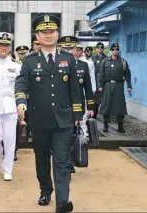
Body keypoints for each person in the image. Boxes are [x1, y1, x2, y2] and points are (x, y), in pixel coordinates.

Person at [15, 14, 83, 213]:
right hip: (39, 119)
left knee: (61, 160)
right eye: (43, 32)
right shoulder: (29, 61)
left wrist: (78, 116)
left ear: (57, 33)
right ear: (37, 35)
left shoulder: (68, 59)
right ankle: (46, 190)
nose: (48, 35)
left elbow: (74, 91)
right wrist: (21, 102)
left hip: (64, 119)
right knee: (42, 158)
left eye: (51, 31)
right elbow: (21, 83)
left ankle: (63, 201)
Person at [57, 36, 95, 174]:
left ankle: (70, 160)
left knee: (74, 135)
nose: (69, 51)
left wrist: (91, 107)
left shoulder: (83, 66)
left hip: (77, 107)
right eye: (65, 48)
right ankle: (64, 161)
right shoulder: (55, 64)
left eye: (71, 48)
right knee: (62, 136)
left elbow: (88, 88)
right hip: (60, 107)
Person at [0, 32, 21, 181]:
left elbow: (20, 88)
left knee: (10, 139)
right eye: (1, 44)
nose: (4, 47)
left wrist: (21, 105)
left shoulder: (16, 67)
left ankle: (8, 170)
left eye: (7, 45)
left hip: (11, 109)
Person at [98, 43, 132, 133]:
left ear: (118, 50)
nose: (115, 51)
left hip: (118, 85)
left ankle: (120, 126)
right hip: (108, 85)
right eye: (113, 49)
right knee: (106, 105)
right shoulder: (105, 61)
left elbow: (127, 74)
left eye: (117, 49)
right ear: (111, 50)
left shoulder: (123, 62)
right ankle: (105, 125)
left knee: (120, 105)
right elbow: (101, 75)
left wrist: (129, 86)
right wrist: (100, 86)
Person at [91, 42, 107, 118]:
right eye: (98, 47)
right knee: (95, 101)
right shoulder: (93, 58)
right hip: (95, 81)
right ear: (96, 49)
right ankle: (94, 116)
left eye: (101, 47)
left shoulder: (106, 58)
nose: (100, 49)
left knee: (105, 100)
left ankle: (106, 118)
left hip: (104, 82)